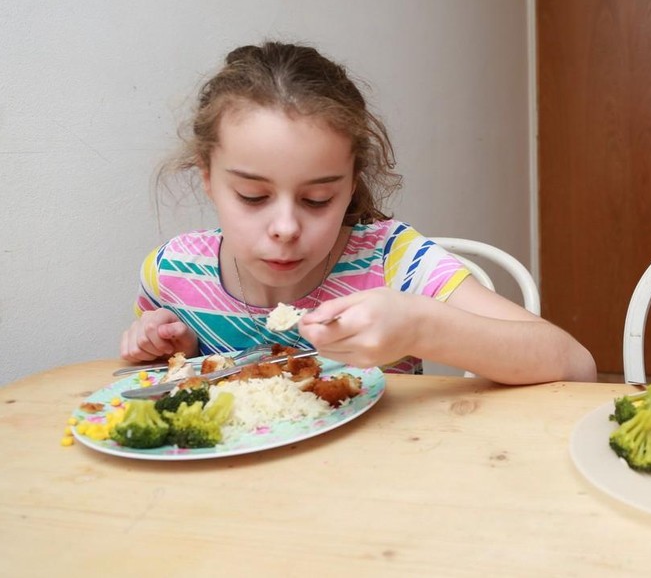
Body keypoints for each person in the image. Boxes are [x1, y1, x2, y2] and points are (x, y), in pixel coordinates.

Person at [120, 41, 596, 385]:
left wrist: (422, 326)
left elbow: (574, 364)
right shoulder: (172, 273)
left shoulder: (393, 262)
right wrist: (164, 350)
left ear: (351, 185)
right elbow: (143, 387)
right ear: (206, 174)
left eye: (317, 200)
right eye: (252, 196)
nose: (285, 228)